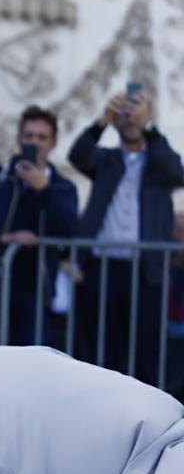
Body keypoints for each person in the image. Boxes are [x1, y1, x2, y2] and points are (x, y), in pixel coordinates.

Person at [69, 87, 184, 384]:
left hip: (145, 271)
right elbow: (77, 155)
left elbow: (176, 171)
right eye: (125, 115)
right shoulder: (106, 160)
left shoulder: (158, 164)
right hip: (102, 268)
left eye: (137, 115)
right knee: (100, 350)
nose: (130, 120)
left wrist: (150, 128)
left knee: (147, 351)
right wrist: (100, 124)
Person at [0, 106, 78, 346]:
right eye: (29, 136)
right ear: (19, 139)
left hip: (36, 286)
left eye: (42, 137)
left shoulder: (63, 187)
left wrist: (44, 190)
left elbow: (68, 230)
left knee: (31, 361)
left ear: (53, 143)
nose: (34, 142)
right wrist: (4, 237)